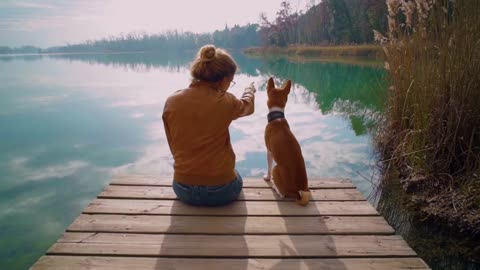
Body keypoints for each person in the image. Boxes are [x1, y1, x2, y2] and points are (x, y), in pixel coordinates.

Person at [162, 44, 256, 206]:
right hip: (221, 191)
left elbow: (172, 144)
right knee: (236, 176)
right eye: (230, 82)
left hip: (182, 188)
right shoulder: (226, 101)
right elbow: (247, 107)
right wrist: (250, 91)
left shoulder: (172, 101)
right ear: (223, 80)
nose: (229, 86)